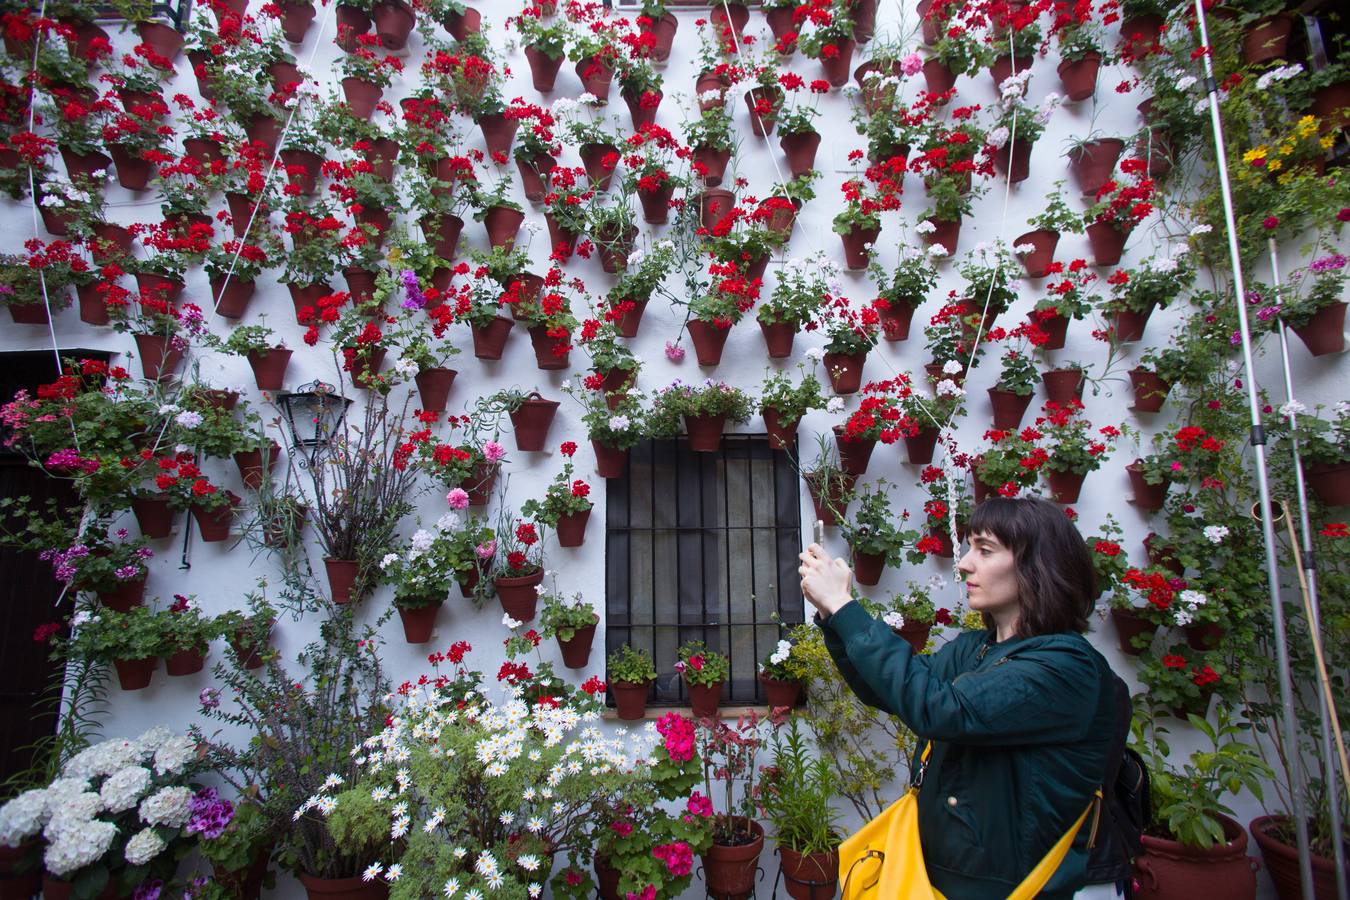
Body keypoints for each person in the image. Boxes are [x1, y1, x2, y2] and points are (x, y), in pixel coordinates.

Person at [798, 496, 1118, 900]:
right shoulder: (977, 649)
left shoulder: (1067, 667)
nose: (965, 563)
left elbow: (939, 710)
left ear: (1039, 564)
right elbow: (893, 690)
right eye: (969, 548)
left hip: (1009, 889)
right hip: (936, 877)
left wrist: (846, 608)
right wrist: (833, 616)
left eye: (984, 550)